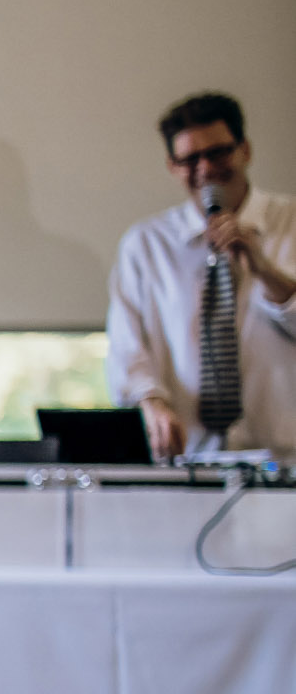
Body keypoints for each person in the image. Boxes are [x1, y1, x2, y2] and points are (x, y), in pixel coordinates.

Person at [108, 92, 296, 460]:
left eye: (218, 153)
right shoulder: (147, 244)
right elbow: (127, 347)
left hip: (287, 458)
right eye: (190, 159)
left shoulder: (290, 224)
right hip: (189, 460)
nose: (206, 169)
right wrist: (151, 401)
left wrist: (263, 269)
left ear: (245, 150)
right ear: (172, 166)